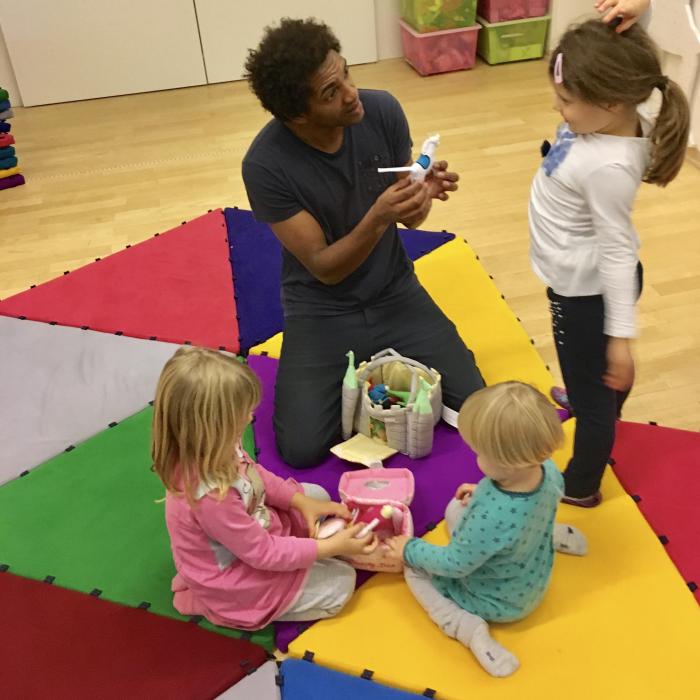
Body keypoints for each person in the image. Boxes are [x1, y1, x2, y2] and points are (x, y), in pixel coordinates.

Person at [242, 18, 484, 469]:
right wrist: (379, 216)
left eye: (347, 73)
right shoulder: (265, 165)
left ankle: (373, 372)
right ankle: (369, 372)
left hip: (394, 290)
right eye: (330, 92)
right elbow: (324, 267)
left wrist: (420, 195)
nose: (351, 93)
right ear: (298, 114)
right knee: (300, 450)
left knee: (476, 405)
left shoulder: (383, 111)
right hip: (321, 307)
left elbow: (412, 221)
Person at [530, 19, 690, 507]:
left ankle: (581, 485)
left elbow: (618, 252)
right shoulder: (614, 115)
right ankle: (591, 389)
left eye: (566, 103)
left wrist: (621, 338)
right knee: (592, 373)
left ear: (611, 104)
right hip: (581, 278)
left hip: (585, 293)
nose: (559, 110)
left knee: (595, 392)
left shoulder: (609, 166)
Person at [151, 346, 377, 631]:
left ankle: (305, 540)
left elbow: (254, 475)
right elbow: (262, 553)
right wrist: (328, 547)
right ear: (213, 426)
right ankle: (214, 604)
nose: (249, 419)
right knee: (342, 585)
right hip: (237, 576)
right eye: (242, 414)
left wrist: (299, 501)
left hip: (250, 529)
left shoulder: (213, 445)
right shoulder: (210, 497)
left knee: (315, 495)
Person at [383, 382, 587, 677]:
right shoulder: (549, 470)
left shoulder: (491, 516)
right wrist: (482, 489)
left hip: (496, 601)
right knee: (457, 510)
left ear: (507, 462)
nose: (475, 458)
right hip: (533, 573)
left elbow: (453, 565)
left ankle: (466, 628)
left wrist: (408, 548)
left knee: (413, 571)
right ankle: (556, 536)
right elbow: (522, 502)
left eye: (479, 453)